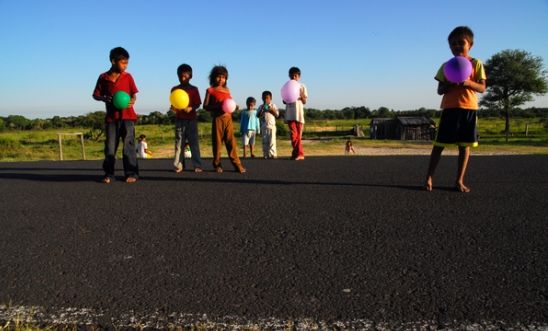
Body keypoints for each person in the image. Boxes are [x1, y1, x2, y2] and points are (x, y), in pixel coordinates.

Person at [425, 26, 486, 192]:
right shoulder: (446, 66)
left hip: (468, 109)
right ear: (449, 47)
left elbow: (482, 88)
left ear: (470, 45)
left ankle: (459, 181)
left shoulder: (476, 64)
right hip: (450, 109)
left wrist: (467, 83)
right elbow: (439, 90)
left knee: (464, 146)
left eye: (461, 42)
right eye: (453, 44)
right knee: (439, 145)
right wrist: (448, 84)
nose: (457, 46)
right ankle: (429, 177)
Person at [92, 47, 139, 184]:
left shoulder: (128, 76)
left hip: (128, 117)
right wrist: (103, 98)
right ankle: (109, 173)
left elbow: (134, 95)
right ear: (113, 61)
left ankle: (131, 173)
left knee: (128, 147)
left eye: (127, 63)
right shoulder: (103, 77)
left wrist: (133, 101)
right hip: (112, 119)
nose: (126, 66)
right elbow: (95, 95)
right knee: (110, 148)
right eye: (123, 63)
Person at [203, 65, 246, 173]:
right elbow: (205, 106)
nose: (221, 79)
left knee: (231, 143)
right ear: (213, 77)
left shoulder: (227, 90)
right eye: (218, 77)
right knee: (217, 143)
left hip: (228, 120)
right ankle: (217, 164)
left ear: (226, 78)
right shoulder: (210, 90)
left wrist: (235, 106)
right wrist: (218, 106)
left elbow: (229, 103)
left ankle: (237, 164)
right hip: (218, 119)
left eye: (223, 77)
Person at [171, 64, 203, 173]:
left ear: (190, 76)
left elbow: (198, 104)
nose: (182, 78)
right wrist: (174, 109)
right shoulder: (174, 89)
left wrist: (191, 108)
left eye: (185, 76)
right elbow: (173, 104)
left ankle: (197, 165)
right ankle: (179, 165)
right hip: (179, 120)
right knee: (179, 144)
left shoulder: (194, 89)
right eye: (180, 76)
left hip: (191, 120)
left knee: (194, 143)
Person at [284, 67, 308, 160]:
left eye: (296, 75)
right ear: (289, 76)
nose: (293, 77)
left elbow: (304, 101)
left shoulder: (302, 86)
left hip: (299, 114)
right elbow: (284, 100)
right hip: (290, 114)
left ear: (299, 77)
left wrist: (301, 95)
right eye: (292, 75)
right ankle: (297, 153)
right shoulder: (287, 86)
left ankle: (297, 153)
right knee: (293, 135)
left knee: (298, 136)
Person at [257, 90, 279, 159]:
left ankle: (272, 154)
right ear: (262, 98)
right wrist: (262, 110)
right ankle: (265, 154)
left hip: (272, 126)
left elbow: (277, 115)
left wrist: (272, 110)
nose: (265, 100)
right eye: (264, 98)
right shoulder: (261, 106)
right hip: (264, 126)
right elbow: (258, 115)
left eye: (267, 98)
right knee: (265, 141)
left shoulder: (273, 105)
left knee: (272, 141)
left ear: (270, 98)